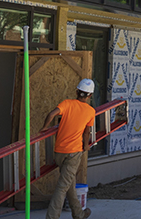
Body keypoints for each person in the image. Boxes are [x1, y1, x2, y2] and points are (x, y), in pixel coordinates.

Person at [42, 78, 97, 219]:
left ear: (77, 91)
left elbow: (51, 114)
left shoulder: (67, 104)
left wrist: (45, 127)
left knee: (69, 184)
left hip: (59, 151)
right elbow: (86, 132)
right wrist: (86, 145)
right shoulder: (90, 111)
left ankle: (79, 214)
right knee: (62, 187)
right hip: (74, 153)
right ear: (90, 95)